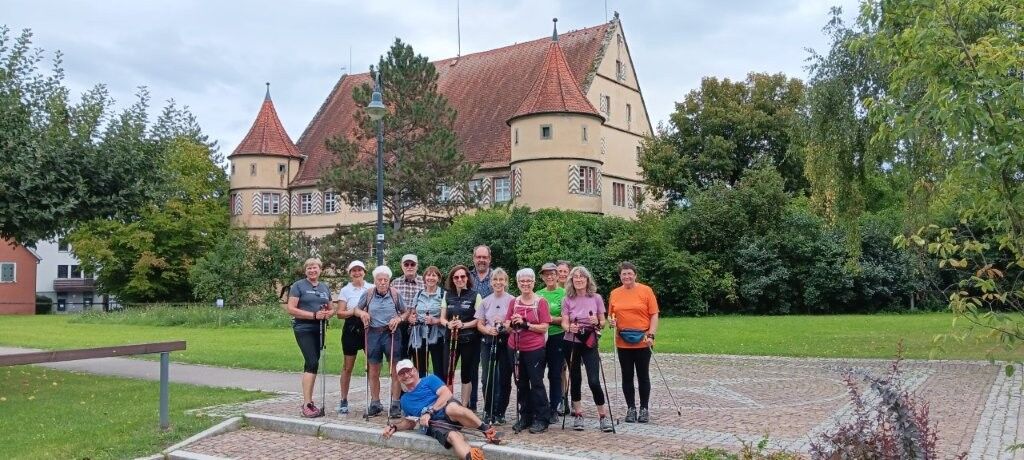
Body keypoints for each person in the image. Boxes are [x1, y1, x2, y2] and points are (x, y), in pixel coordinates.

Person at [382, 359, 498, 460]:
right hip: (436, 424)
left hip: (447, 410)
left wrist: (430, 412)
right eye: (402, 373)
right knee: (454, 437)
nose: (406, 375)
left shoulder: (430, 380)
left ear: (415, 370)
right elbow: (410, 422)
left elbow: (446, 393)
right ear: (398, 378)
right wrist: (395, 427)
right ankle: (472, 457)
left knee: (452, 409)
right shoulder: (405, 400)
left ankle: (486, 429)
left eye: (409, 371)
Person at [561, 266, 613, 432]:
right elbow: (564, 322)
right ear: (571, 280)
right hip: (572, 340)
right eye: (575, 277)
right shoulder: (567, 299)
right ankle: (578, 414)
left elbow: (603, 322)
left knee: (594, 380)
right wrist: (569, 328)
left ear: (587, 279)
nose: (578, 279)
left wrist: (596, 322)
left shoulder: (596, 297)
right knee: (575, 379)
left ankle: (603, 416)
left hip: (589, 341)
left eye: (581, 277)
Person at [353, 265, 409, 419]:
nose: (382, 282)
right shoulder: (368, 293)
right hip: (372, 333)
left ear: (389, 281)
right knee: (373, 369)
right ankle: (375, 403)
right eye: (379, 279)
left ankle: (395, 403)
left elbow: (405, 312)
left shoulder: (395, 294)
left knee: (395, 370)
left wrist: (398, 318)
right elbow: (356, 310)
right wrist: (363, 313)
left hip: (391, 333)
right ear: (375, 280)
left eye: (385, 280)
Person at [608, 261, 659, 423]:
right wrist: (611, 322)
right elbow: (611, 315)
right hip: (623, 340)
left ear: (635, 275)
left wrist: (651, 334)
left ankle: (644, 408)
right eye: (624, 274)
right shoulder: (615, 293)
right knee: (627, 375)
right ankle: (631, 408)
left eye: (630, 273)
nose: (627, 276)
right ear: (620, 276)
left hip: (643, 340)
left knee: (643, 375)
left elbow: (654, 314)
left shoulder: (646, 291)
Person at [286, 257, 336, 418]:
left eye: (315, 268)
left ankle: (310, 402)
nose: (312, 270)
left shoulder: (324, 287)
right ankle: (306, 403)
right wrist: (313, 315)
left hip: (320, 328)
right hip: (304, 328)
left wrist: (328, 313)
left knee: (314, 363)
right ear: (305, 270)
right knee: (311, 361)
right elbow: (291, 309)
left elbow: (332, 308)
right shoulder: (298, 286)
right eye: (309, 268)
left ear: (320, 270)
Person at [505, 268, 553, 434]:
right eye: (522, 281)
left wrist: (526, 325)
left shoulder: (541, 302)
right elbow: (507, 325)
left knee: (537, 382)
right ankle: (525, 416)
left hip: (534, 348)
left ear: (533, 282)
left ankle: (542, 418)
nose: (525, 284)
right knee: (520, 383)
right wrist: (511, 324)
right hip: (515, 346)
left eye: (528, 281)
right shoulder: (514, 301)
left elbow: (544, 327)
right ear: (518, 283)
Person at [475, 268, 514, 425]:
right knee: (487, 377)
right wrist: (487, 330)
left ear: (506, 281)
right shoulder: (485, 301)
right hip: (488, 342)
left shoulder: (512, 300)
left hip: (505, 342)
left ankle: (501, 411)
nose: (498, 283)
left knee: (504, 378)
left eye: (501, 280)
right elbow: (479, 323)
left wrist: (505, 326)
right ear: (491, 282)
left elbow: (513, 324)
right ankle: (488, 410)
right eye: (495, 280)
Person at [442, 265, 483, 411]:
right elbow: (442, 318)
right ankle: (449, 404)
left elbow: (479, 320)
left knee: (467, 373)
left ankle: (464, 407)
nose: (459, 279)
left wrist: (463, 325)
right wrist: (448, 324)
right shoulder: (447, 295)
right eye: (456, 277)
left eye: (462, 277)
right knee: (448, 371)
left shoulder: (475, 295)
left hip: (469, 340)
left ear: (467, 278)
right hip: (450, 339)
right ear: (452, 279)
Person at [335, 260, 369, 415]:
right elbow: (340, 313)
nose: (357, 273)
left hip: (368, 327)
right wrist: (354, 311)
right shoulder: (345, 290)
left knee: (372, 365)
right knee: (347, 367)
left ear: (364, 272)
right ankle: (343, 399)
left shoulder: (371, 287)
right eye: (354, 271)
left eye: (359, 270)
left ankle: (374, 400)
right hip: (351, 327)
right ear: (350, 273)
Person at [537, 262, 567, 419]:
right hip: (539, 338)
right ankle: (541, 406)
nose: (549, 276)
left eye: (552, 274)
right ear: (542, 277)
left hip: (557, 337)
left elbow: (565, 319)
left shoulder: (564, 293)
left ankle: (554, 407)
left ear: (557, 276)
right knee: (538, 374)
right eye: (546, 274)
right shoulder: (538, 294)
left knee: (555, 374)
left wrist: (548, 318)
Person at [409, 265, 447, 379]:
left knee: (438, 367)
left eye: (434, 275)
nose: (431, 278)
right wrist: (412, 318)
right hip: (420, 334)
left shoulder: (443, 294)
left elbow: (447, 317)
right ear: (424, 278)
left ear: (438, 279)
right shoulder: (419, 294)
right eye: (428, 275)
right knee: (420, 367)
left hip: (437, 334)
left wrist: (435, 320)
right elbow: (413, 312)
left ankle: (439, 393)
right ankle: (423, 392)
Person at [468, 245, 493, 410]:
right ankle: (472, 403)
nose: (481, 260)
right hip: (470, 328)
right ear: (474, 258)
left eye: (484, 257)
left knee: (488, 371)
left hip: (490, 330)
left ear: (489, 259)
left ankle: (490, 406)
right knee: (471, 368)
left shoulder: (496, 276)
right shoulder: (467, 277)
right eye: (479, 257)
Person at [392, 254, 424, 362]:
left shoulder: (424, 282)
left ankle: (420, 379)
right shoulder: (395, 283)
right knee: (402, 360)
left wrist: (415, 316)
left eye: (412, 264)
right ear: (402, 266)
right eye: (406, 264)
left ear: (417, 266)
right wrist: (404, 317)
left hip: (419, 325)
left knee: (419, 360)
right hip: (401, 326)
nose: (409, 267)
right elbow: (391, 306)